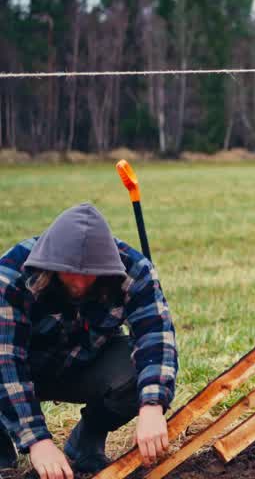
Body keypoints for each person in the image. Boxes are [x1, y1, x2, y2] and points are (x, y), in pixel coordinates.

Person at [0, 203, 178, 478]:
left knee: (143, 371)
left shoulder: (134, 270)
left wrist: (153, 406)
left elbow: (157, 337)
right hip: (23, 368)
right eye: (71, 273)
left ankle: (86, 442)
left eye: (91, 274)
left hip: (84, 364)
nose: (81, 284)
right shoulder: (12, 274)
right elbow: (6, 361)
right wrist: (37, 441)